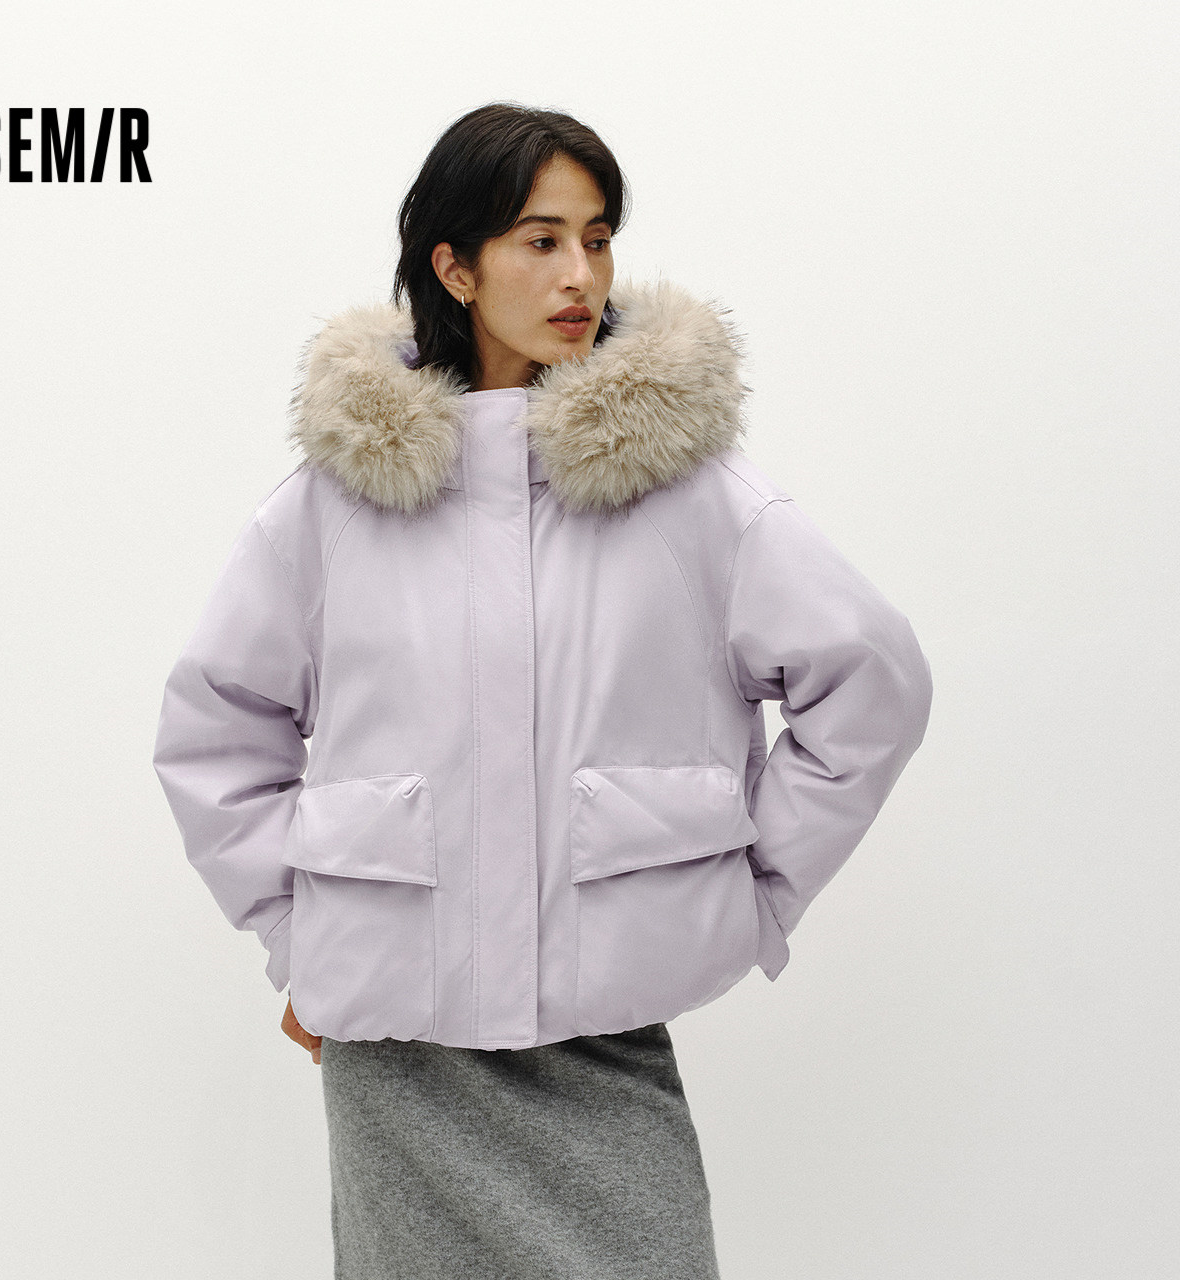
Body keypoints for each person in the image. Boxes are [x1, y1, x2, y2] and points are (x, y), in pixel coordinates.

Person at [152, 101, 933, 1279]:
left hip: (602, 1043)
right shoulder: (332, 505)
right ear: (454, 267)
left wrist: (757, 888)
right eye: (541, 239)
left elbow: (870, 679)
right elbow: (215, 729)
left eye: (598, 238)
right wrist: (299, 937)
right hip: (395, 1056)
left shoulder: (689, 493)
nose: (581, 274)